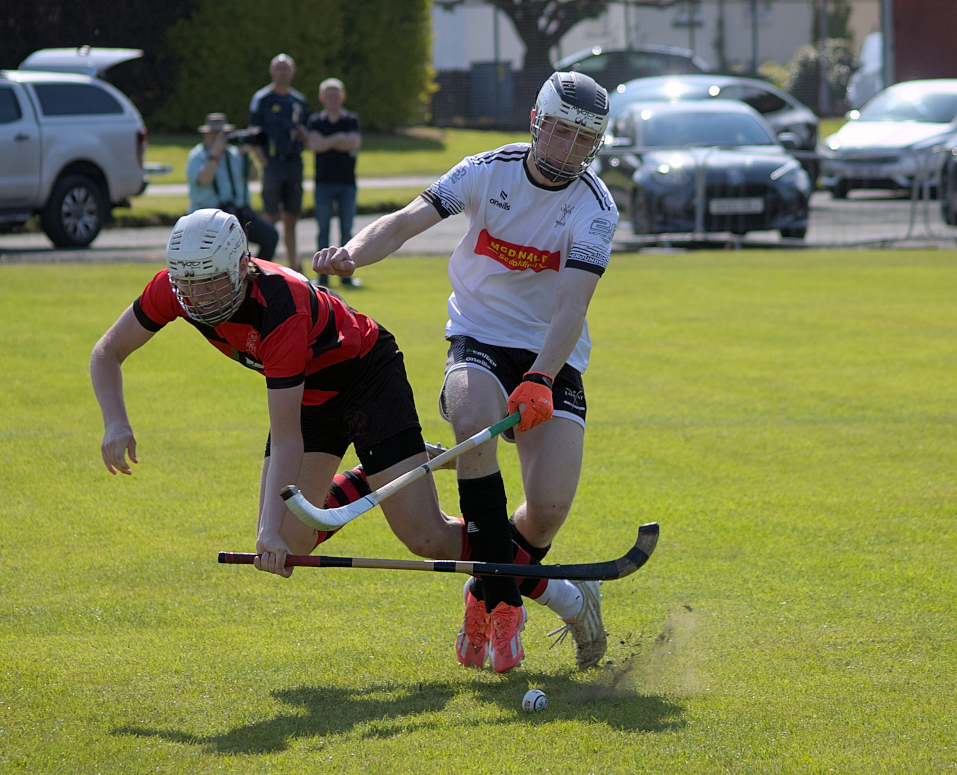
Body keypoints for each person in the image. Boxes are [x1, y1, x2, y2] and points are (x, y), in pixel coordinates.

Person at [313, 71, 619, 673]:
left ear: (595, 144)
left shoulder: (596, 207)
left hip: (551, 356)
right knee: (474, 413)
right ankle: (505, 602)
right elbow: (404, 221)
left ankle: (481, 592)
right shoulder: (487, 170)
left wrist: (540, 377)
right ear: (537, 123)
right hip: (478, 338)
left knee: (550, 506)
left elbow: (571, 306)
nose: (566, 147)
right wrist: (353, 251)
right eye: (558, 130)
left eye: (581, 139)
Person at [91, 208, 478, 585]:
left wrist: (266, 529)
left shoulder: (280, 308)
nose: (199, 297)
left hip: (366, 375)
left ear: (241, 267)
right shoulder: (175, 289)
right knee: (292, 543)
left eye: (211, 282)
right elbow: (107, 352)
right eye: (188, 284)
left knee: (426, 538)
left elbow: (286, 436)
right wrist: (116, 423)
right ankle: (371, 474)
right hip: (308, 394)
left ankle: (507, 554)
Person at [186, 113, 278, 261]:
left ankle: (255, 276)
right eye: (215, 134)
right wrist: (214, 154)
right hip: (208, 217)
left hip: (236, 213)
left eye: (223, 134)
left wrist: (246, 156)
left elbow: (253, 175)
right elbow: (204, 180)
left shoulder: (233, 155)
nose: (220, 137)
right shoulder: (198, 156)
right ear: (206, 135)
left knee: (270, 236)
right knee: (229, 251)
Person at [248, 54, 310, 272]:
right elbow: (253, 134)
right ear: (272, 71)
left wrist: (304, 135)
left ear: (292, 72)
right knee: (270, 215)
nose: (282, 73)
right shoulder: (262, 99)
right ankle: (263, 266)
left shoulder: (299, 102)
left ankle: (295, 266)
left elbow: (307, 133)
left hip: (293, 163)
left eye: (286, 69)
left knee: (292, 217)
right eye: (279, 68)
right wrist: (263, 161)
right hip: (273, 164)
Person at [306, 78, 362, 288]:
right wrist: (339, 138)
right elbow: (314, 144)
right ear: (322, 98)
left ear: (342, 97)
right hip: (323, 184)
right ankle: (322, 278)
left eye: (336, 95)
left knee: (347, 231)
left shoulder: (351, 119)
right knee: (323, 231)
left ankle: (346, 276)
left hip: (347, 183)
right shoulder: (315, 121)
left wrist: (328, 140)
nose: (332, 99)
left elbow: (354, 143)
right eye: (328, 95)